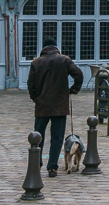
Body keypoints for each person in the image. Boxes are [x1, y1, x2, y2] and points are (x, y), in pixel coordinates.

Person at [27, 37, 83, 178]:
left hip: (42, 105)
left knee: (38, 137)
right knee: (57, 138)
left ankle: (37, 163)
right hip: (59, 105)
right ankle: (52, 168)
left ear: (44, 48)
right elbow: (79, 74)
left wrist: (35, 98)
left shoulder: (36, 63)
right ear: (55, 47)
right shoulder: (64, 60)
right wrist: (73, 89)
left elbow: (30, 84)